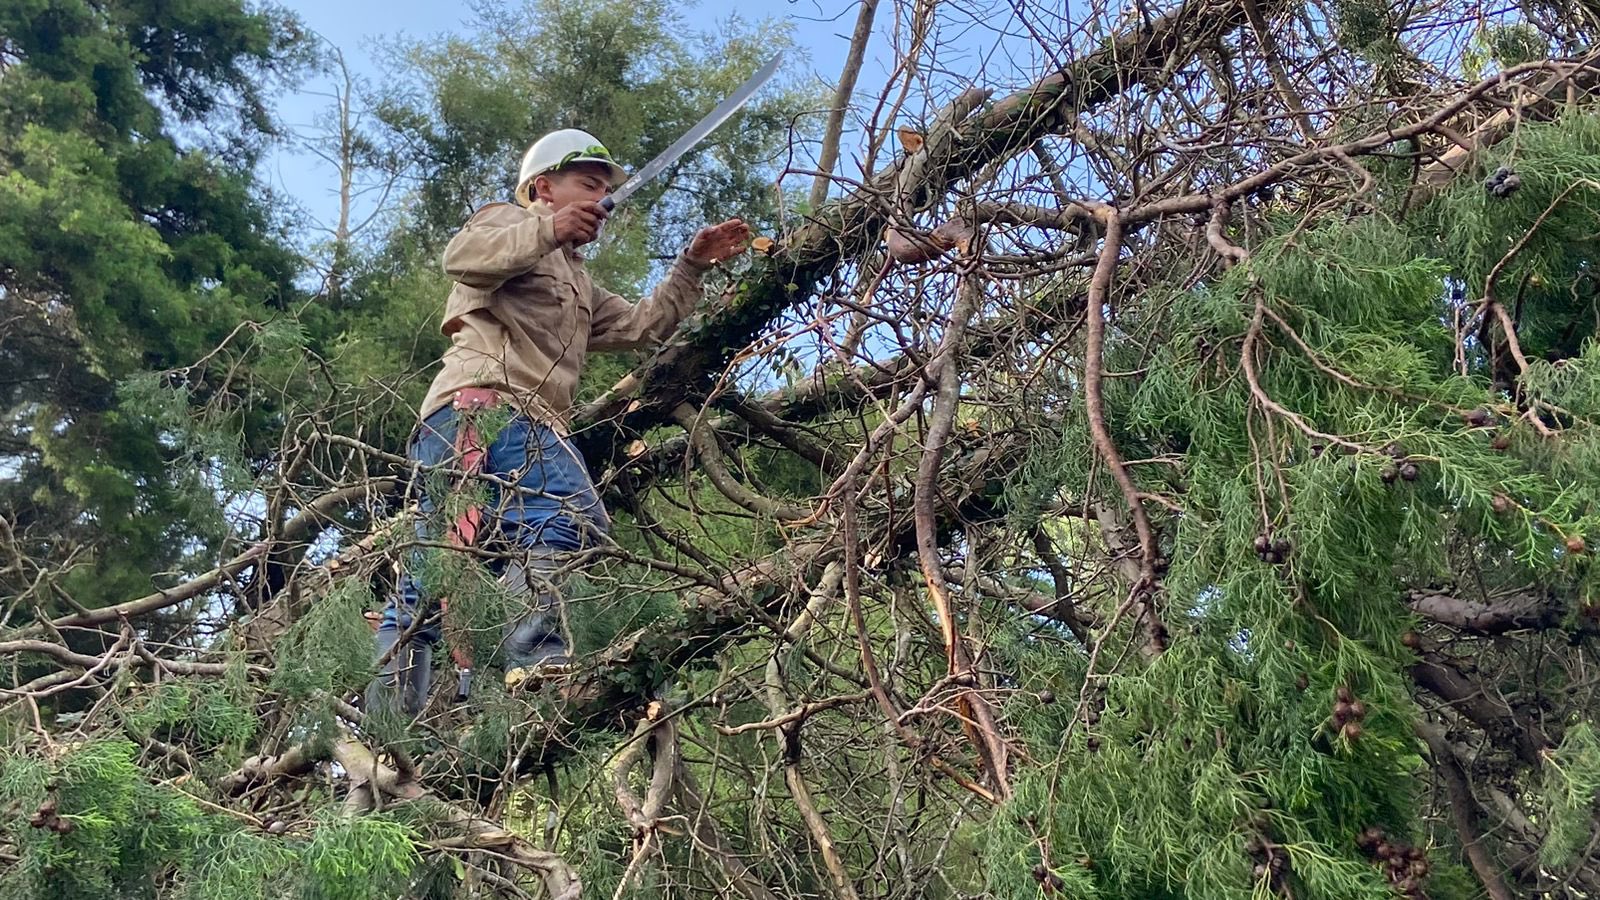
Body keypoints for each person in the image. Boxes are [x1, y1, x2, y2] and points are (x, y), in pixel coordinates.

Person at [368, 128, 750, 715]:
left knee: (430, 577)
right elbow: (460, 260)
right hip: (485, 407)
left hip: (511, 422)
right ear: (544, 187)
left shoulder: (579, 282)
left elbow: (642, 327)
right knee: (570, 515)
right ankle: (533, 669)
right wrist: (546, 229)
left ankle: (391, 736)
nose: (601, 199)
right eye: (588, 185)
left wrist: (691, 266)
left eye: (605, 190)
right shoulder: (505, 223)